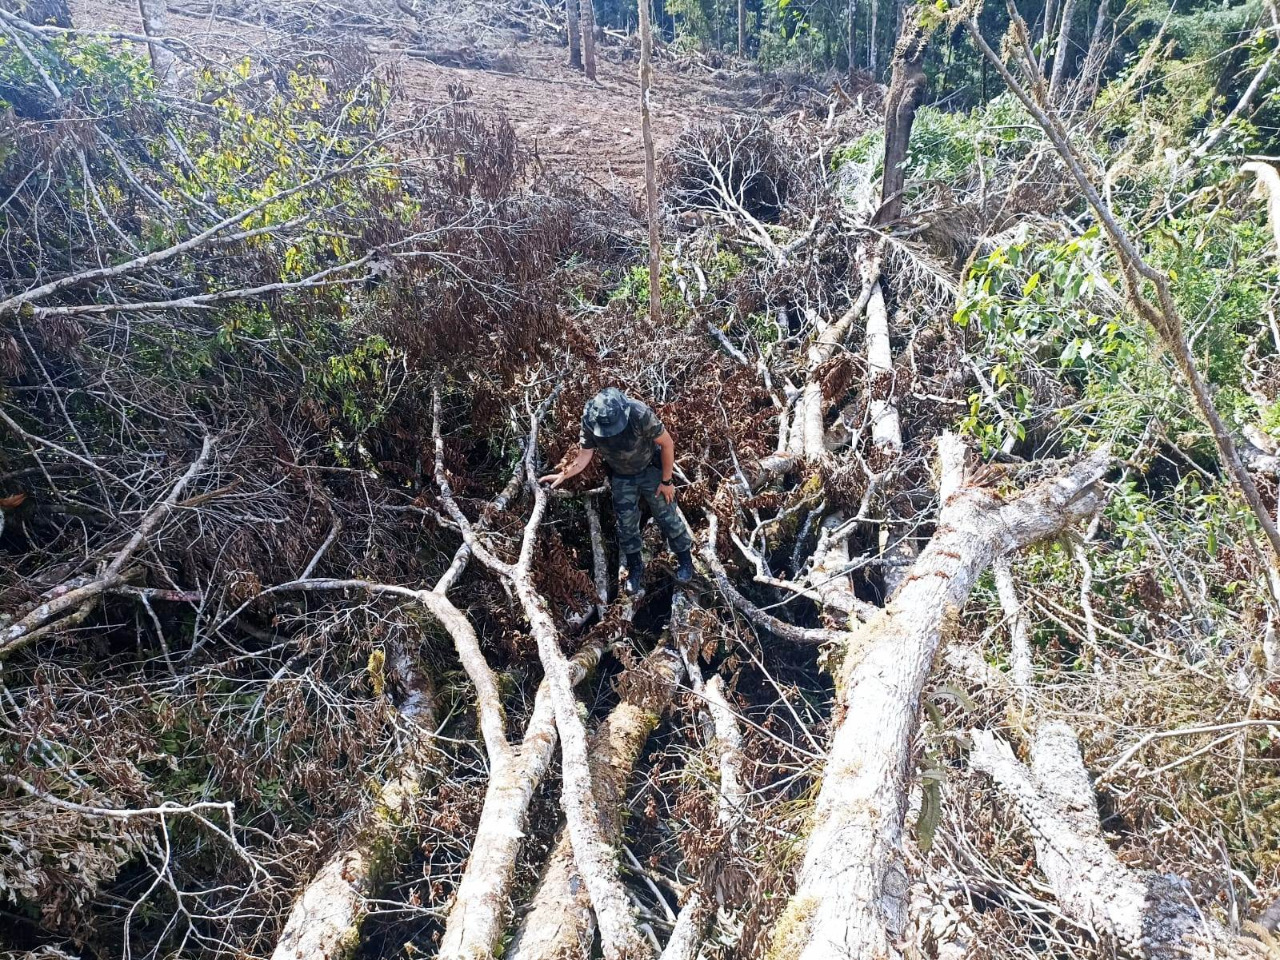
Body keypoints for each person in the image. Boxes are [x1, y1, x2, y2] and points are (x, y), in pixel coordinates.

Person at [540, 387, 694, 593]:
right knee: (626, 525)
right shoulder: (590, 420)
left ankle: (685, 560)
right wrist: (564, 474)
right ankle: (635, 568)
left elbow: (667, 444)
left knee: (666, 515)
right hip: (622, 476)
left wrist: (666, 482)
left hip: (651, 469)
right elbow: (584, 455)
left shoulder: (639, 413)